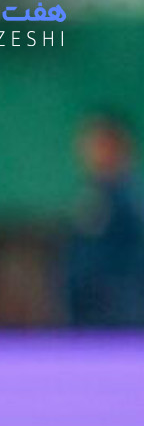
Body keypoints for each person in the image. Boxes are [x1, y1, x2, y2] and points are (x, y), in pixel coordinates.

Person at [63, 108, 144, 328]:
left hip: (119, 315)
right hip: (87, 312)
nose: (89, 151)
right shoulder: (91, 192)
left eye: (98, 144)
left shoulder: (129, 198)